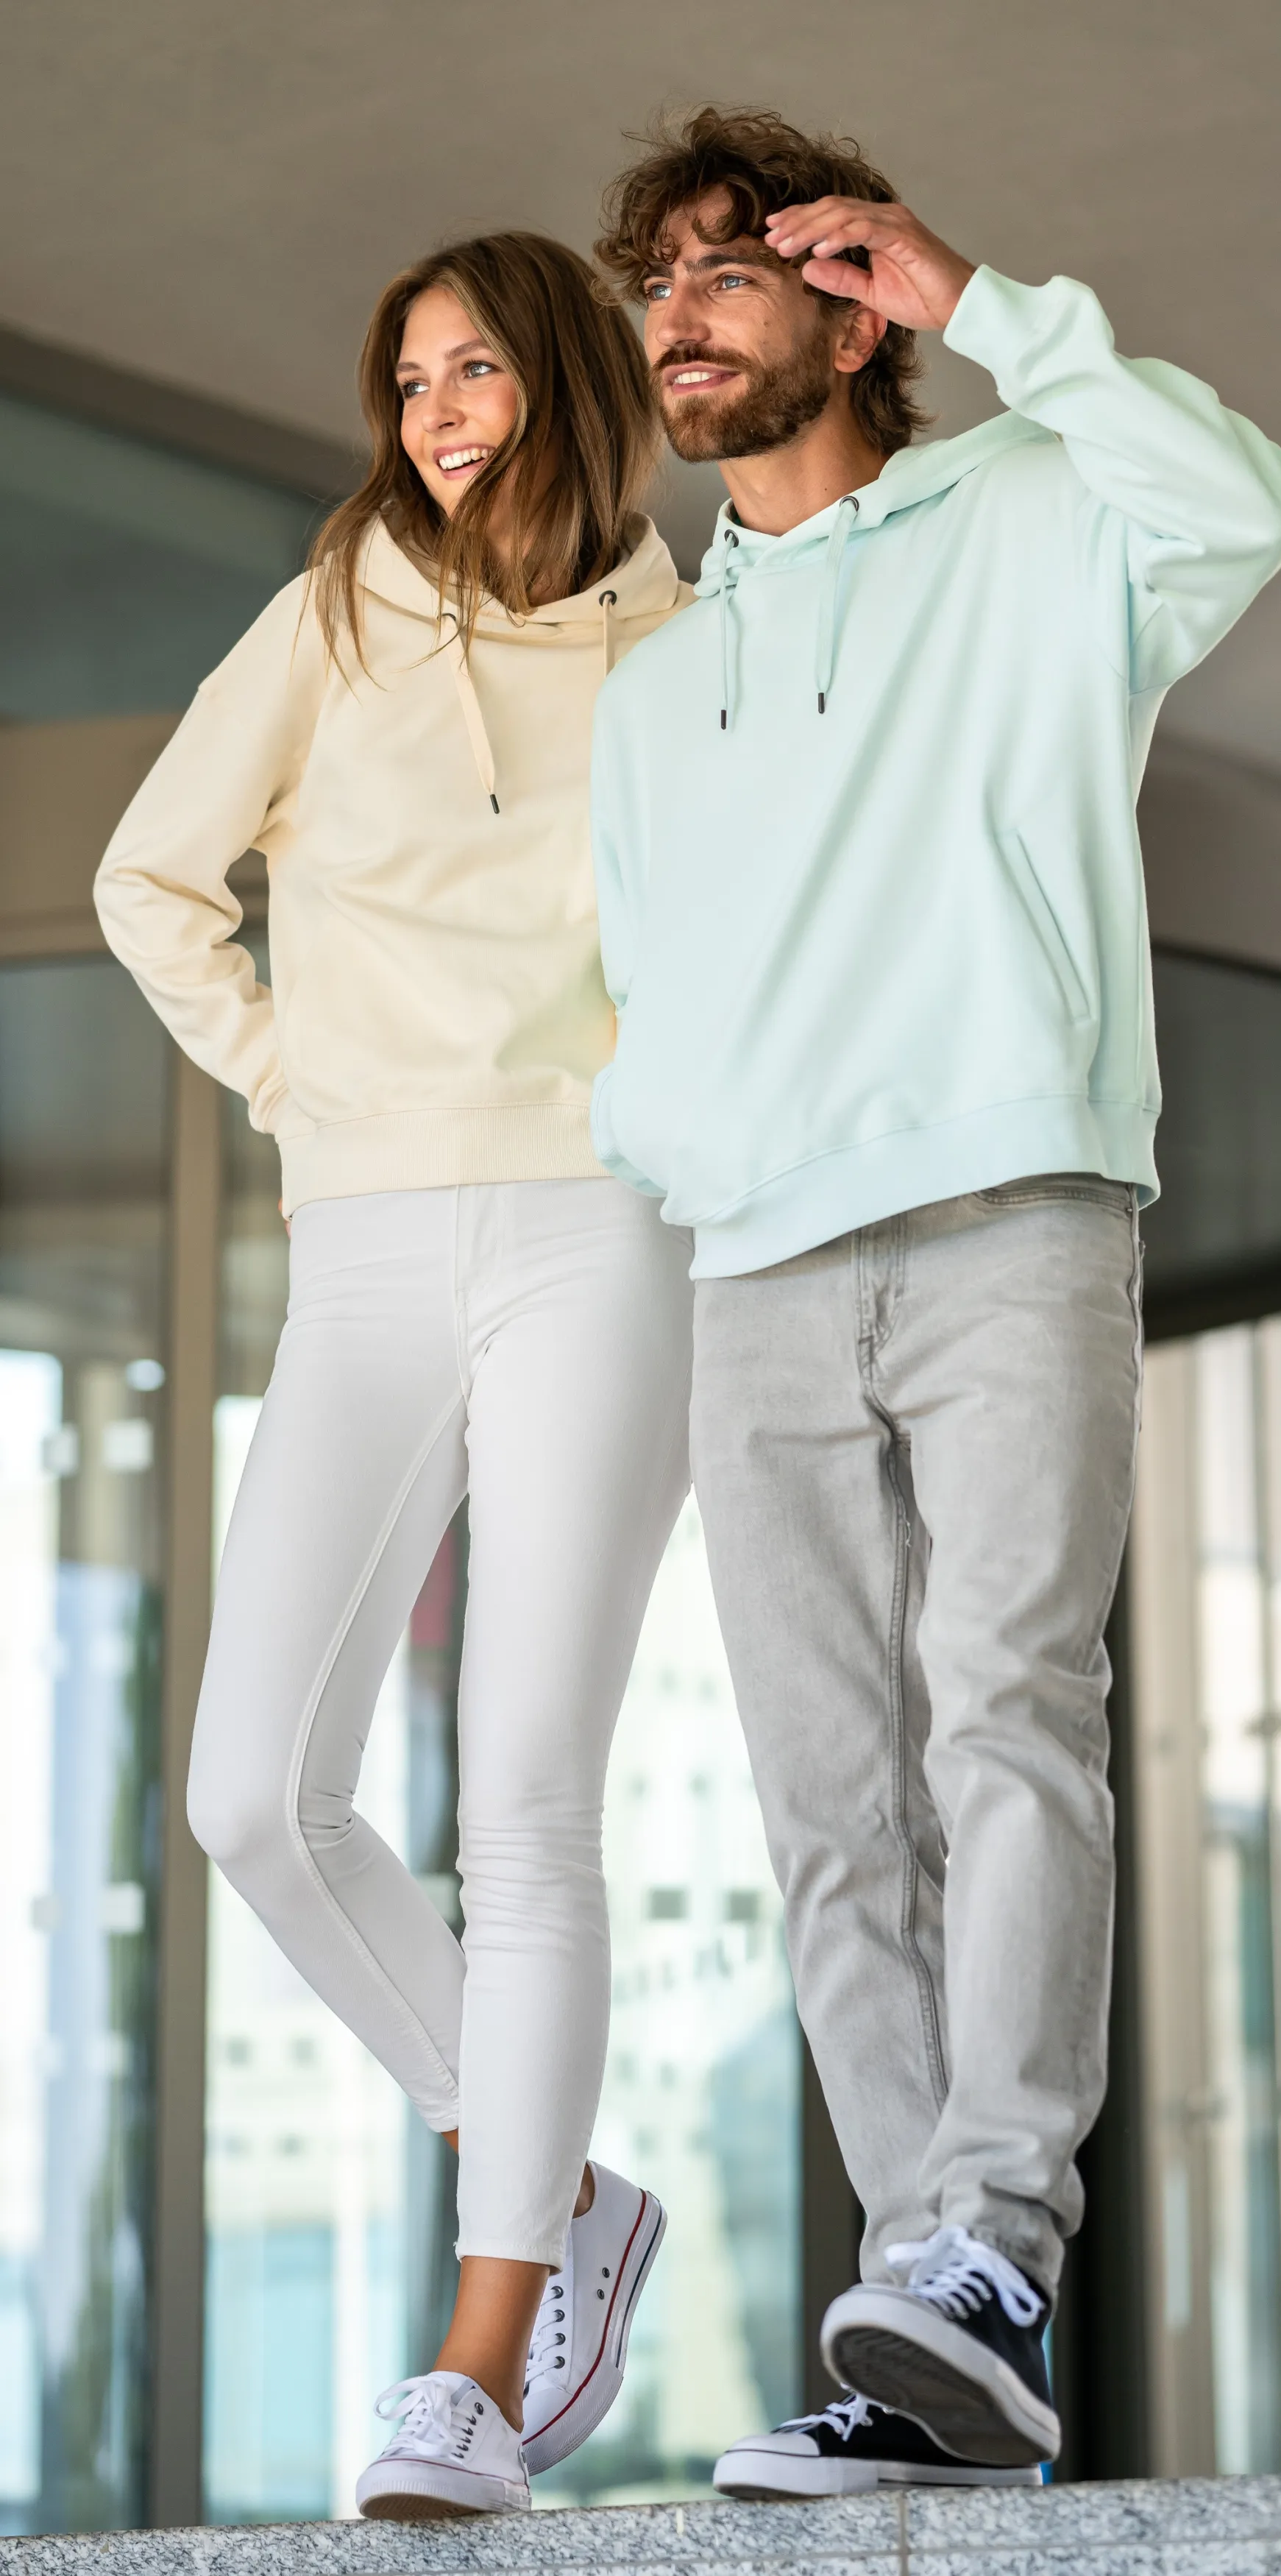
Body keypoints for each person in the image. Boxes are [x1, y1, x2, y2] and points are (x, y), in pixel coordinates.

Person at [587, 108, 1281, 2497]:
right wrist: (680, 1150)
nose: (678, 312)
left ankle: (988, 2236)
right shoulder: (655, 682)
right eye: (654, 283)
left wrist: (986, 308)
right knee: (826, 1800)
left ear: (847, 302)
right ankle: (932, 2329)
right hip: (755, 1261)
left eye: (730, 266)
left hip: (1010, 1201)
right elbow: (643, 979)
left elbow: (1243, 501)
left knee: (1008, 1711)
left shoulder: (1035, 512)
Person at [95, 231, 694, 2520]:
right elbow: (151, 878)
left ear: (564, 382)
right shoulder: (332, 615)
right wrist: (297, 1081)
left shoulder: (684, 646)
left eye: (474, 368)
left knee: (524, 1793)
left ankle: (479, 2350)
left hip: (597, 1230)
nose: (435, 411)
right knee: (254, 1791)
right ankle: (564, 2182)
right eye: (408, 376)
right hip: (362, 1231)